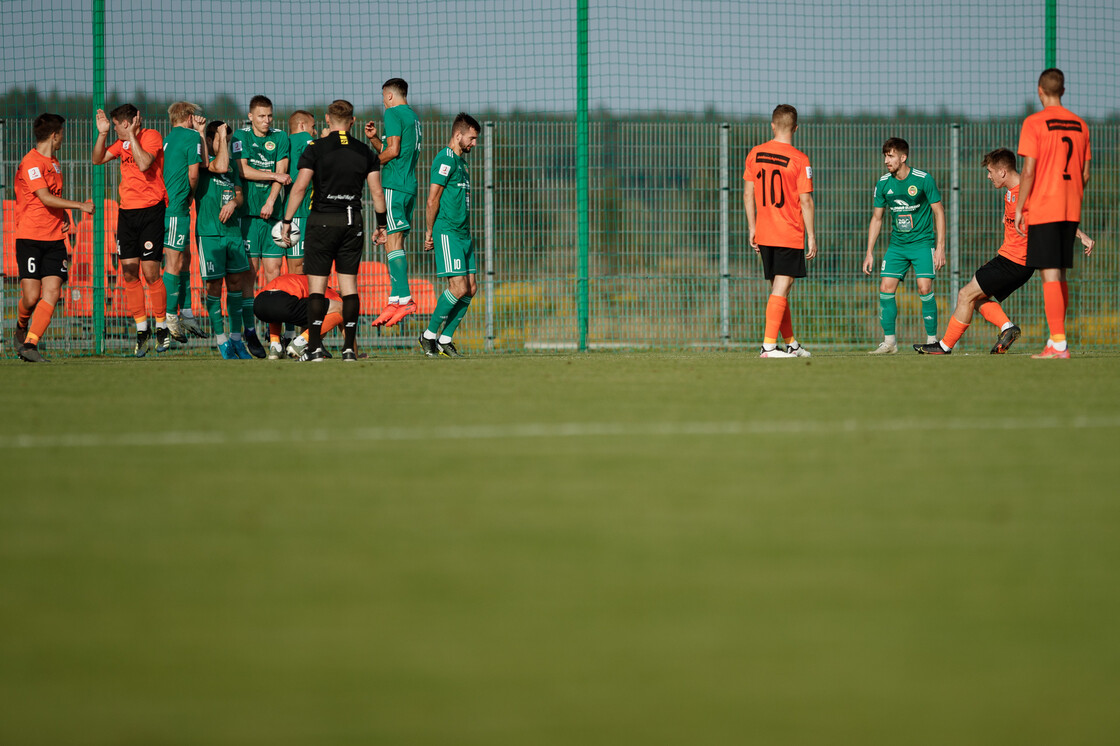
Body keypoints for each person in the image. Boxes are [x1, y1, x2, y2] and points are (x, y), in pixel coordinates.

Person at [915, 148, 1095, 355]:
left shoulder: (1027, 194)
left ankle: (944, 346)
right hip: (1013, 261)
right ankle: (1007, 328)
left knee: (965, 295)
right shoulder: (1011, 192)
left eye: (991, 171)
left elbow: (1055, 216)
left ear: (1002, 172)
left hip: (1014, 261)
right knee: (976, 299)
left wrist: (1081, 235)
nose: (988, 176)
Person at [279, 99, 387, 362]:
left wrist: (287, 220)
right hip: (352, 223)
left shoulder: (315, 148)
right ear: (352, 121)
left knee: (317, 288)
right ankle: (349, 348)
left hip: (321, 222)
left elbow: (300, 187)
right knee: (349, 287)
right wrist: (382, 225)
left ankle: (314, 348)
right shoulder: (364, 151)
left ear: (327, 119)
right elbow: (376, 192)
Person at [1014, 68, 1092, 359]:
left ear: (1039, 91)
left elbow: (1029, 171)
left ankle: (1058, 344)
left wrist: (1022, 207)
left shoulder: (1034, 123)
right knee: (1059, 275)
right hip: (1071, 206)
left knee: (1049, 274)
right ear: (1063, 90)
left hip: (1045, 207)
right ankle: (1056, 339)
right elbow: (1084, 173)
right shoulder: (1081, 125)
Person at [12, 113, 95, 362]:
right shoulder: (31, 162)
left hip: (55, 239)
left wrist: (65, 215)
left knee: (53, 292)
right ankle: (20, 325)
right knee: (31, 296)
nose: (62, 139)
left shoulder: (55, 162)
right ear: (53, 135)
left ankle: (30, 345)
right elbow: (45, 197)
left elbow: (54, 197)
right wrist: (79, 206)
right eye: (61, 134)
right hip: (30, 237)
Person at [92, 103, 169, 357]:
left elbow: (145, 163)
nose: (114, 128)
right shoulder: (118, 142)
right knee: (128, 272)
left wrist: (133, 137)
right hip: (126, 213)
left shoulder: (151, 137)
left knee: (150, 272)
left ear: (127, 124)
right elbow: (97, 159)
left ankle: (161, 327)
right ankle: (141, 329)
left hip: (151, 211)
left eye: (115, 125)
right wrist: (103, 134)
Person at [743, 104, 817, 359]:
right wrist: (812, 236)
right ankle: (768, 347)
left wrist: (752, 227)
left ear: (772, 125)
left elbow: (748, 193)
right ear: (796, 128)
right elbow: (806, 201)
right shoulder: (799, 159)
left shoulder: (755, 153)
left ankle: (791, 344)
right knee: (781, 289)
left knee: (780, 289)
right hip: (788, 232)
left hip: (764, 232)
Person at [862, 138, 946, 354]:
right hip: (897, 245)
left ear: (903, 157)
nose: (886, 161)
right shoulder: (883, 183)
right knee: (885, 289)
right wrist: (869, 252)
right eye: (885, 156)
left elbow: (939, 212)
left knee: (924, 288)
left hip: (922, 244)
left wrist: (940, 247)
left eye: (890, 156)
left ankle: (932, 341)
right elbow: (877, 218)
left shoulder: (923, 179)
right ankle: (889, 343)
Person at [231, 94, 291, 357]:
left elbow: (283, 170)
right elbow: (242, 171)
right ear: (250, 116)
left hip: (272, 216)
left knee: (274, 273)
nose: (267, 120)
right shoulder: (240, 138)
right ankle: (249, 330)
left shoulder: (280, 137)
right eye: (261, 116)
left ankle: (274, 332)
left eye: (269, 115)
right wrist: (274, 175)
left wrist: (270, 201)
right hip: (247, 217)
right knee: (249, 274)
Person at [418, 113, 481, 358]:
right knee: (457, 288)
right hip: (448, 231)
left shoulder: (462, 164)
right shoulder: (445, 159)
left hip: (464, 234)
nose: (474, 143)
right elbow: (432, 199)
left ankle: (445, 338)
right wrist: (430, 231)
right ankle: (429, 335)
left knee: (471, 288)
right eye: (472, 138)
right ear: (458, 135)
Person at [195, 120, 256, 360]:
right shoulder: (204, 163)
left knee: (236, 285)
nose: (227, 145)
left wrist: (233, 202)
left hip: (232, 234)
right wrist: (208, 135)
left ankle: (236, 339)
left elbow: (240, 196)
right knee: (213, 286)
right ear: (210, 142)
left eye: (229, 141)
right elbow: (217, 165)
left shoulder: (232, 166)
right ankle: (221, 340)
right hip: (210, 234)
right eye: (223, 140)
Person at [368, 78, 423, 328]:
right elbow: (394, 152)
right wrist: (375, 139)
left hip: (394, 186)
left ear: (390, 96)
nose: (382, 101)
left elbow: (392, 151)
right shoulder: (413, 116)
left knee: (392, 242)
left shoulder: (392, 113)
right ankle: (395, 299)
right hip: (408, 185)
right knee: (393, 242)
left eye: (382, 96)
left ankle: (405, 299)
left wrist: (366, 164)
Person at [161, 101, 207, 345]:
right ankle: (169, 318)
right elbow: (194, 173)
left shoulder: (167, 138)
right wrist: (191, 194)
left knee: (184, 258)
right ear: (189, 117)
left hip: (167, 207)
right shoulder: (191, 137)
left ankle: (186, 313)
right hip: (176, 208)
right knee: (174, 262)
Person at [253, 273, 345, 360]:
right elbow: (343, 312)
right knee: (342, 309)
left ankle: (275, 347)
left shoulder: (296, 277)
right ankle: (299, 343)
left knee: (275, 310)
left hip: (259, 303)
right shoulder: (329, 291)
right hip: (283, 302)